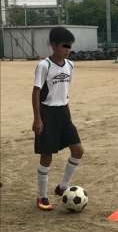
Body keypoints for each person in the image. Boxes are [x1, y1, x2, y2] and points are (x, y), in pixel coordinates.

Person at [32, 27, 84, 210]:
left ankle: (62, 187)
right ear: (53, 45)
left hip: (63, 112)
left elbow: (65, 92)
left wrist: (68, 116)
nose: (68, 50)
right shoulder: (44, 65)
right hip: (47, 113)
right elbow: (36, 92)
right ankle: (42, 197)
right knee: (47, 155)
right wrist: (37, 119)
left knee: (78, 150)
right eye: (64, 46)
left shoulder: (70, 65)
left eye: (70, 46)